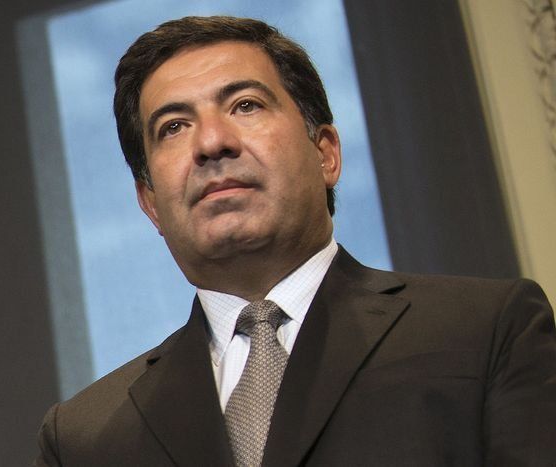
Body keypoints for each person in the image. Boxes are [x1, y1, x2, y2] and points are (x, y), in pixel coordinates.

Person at [35, 16, 556, 466]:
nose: (211, 142)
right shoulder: (83, 438)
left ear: (325, 153)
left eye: (245, 105)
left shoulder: (486, 330)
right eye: (173, 127)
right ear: (150, 202)